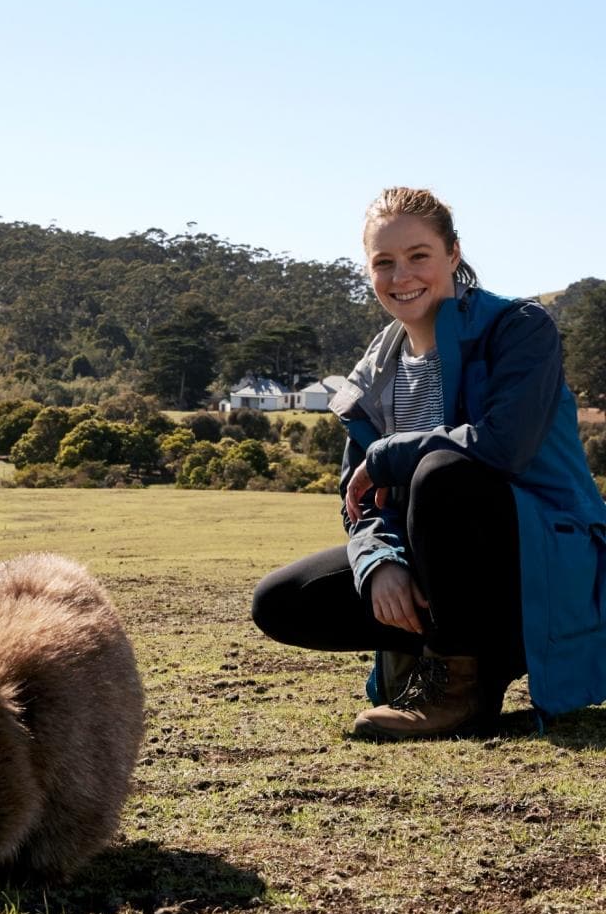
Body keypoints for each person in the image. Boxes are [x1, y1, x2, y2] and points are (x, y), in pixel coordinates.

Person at [252, 187, 606, 741]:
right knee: (280, 602)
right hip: (439, 571)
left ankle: (458, 688)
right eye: (384, 263)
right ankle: (460, 662)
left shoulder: (518, 329)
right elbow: (359, 500)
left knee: (442, 475)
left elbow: (502, 446)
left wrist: (386, 454)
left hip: (541, 556)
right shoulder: (374, 374)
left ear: (453, 255)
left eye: (419, 256)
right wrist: (381, 563)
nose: (402, 276)